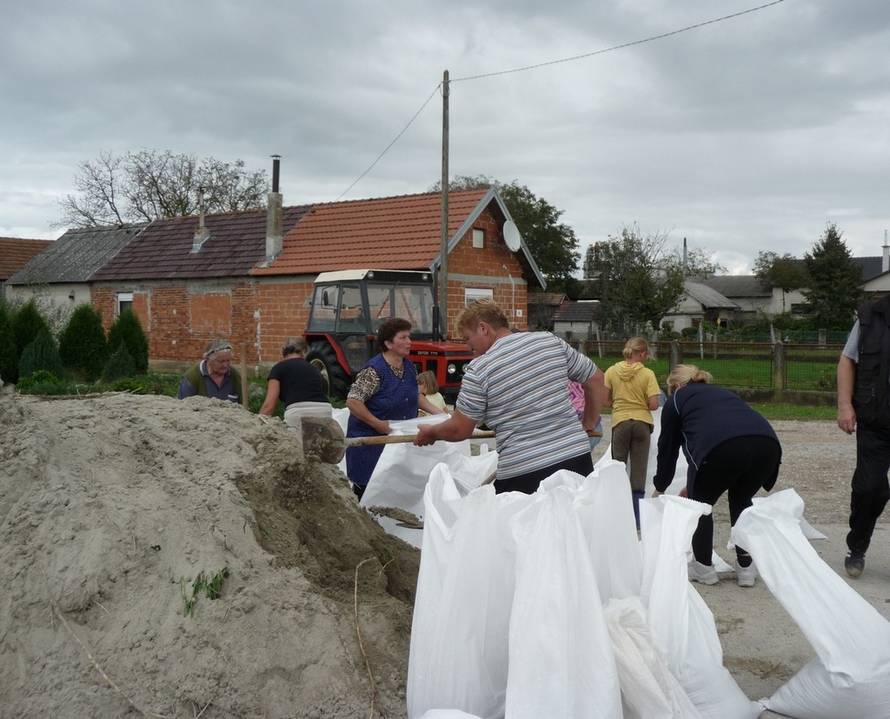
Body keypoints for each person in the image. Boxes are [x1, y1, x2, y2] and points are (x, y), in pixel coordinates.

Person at [415, 300, 604, 494]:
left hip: (524, 473)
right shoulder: (550, 341)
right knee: (575, 523)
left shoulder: (479, 369)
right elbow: (596, 380)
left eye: (467, 338)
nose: (468, 346)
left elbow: (459, 429)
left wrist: (432, 432)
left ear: (483, 328)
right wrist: (588, 424)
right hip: (576, 459)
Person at [653, 364, 781, 587]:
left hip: (721, 448)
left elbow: (668, 448)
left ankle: (703, 569)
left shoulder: (676, 400)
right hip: (766, 445)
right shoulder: (723, 393)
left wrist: (661, 485)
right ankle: (746, 568)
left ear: (674, 385)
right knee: (742, 501)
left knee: (700, 504)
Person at [345, 318, 445, 499]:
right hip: (371, 444)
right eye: (403, 337)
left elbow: (414, 395)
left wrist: (440, 414)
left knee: (394, 489)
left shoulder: (409, 367)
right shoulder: (374, 371)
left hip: (396, 441)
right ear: (388, 343)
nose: (409, 342)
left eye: (409, 337)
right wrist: (378, 424)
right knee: (369, 491)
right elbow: (353, 401)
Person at [837, 298, 890, 578]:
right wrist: (845, 405)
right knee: (870, 489)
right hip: (876, 421)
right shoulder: (871, 317)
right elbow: (847, 360)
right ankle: (856, 547)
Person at [604, 337, 661, 529]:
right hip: (642, 423)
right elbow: (654, 404)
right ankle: (636, 519)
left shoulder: (611, 371)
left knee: (617, 467)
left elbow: (607, 400)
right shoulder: (648, 374)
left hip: (620, 422)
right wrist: (639, 405)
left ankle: (616, 513)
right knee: (638, 470)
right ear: (643, 354)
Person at [259, 337, 331, 426]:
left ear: (283, 351)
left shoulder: (278, 368)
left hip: (298, 413)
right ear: (304, 352)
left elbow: (269, 406)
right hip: (325, 411)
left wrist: (257, 425)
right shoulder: (314, 369)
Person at [178, 339, 242, 403]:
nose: (225, 365)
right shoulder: (192, 377)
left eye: (228, 360)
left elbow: (243, 404)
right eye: (221, 361)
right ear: (208, 359)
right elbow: (183, 406)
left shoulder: (234, 375)